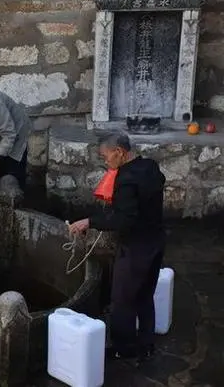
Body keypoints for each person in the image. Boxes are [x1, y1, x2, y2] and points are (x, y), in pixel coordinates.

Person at [68, 133, 166, 362]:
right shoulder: (150, 166)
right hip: (156, 241)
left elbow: (124, 219)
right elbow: (147, 195)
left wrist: (89, 222)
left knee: (121, 300)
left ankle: (124, 348)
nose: (105, 162)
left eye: (106, 156)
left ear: (119, 152)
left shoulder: (125, 178)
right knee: (144, 295)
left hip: (136, 247)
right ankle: (146, 343)